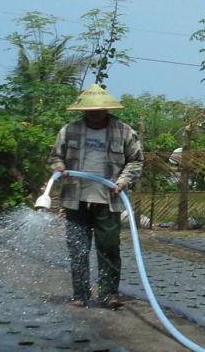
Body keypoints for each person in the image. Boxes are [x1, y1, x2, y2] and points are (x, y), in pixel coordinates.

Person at [47, 85, 144, 309]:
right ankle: (80, 294)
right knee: (78, 247)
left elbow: (136, 160)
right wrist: (60, 168)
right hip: (75, 197)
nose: (95, 113)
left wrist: (122, 181)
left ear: (107, 109)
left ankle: (109, 294)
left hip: (109, 197)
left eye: (99, 110)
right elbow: (55, 157)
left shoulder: (124, 131)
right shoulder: (69, 131)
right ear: (83, 110)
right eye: (90, 110)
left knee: (109, 246)